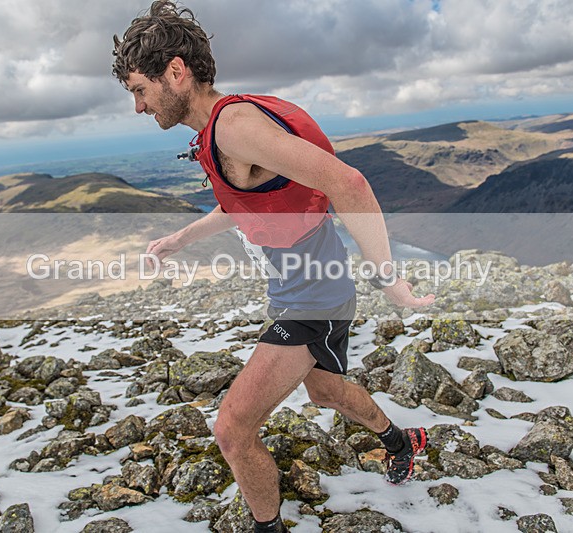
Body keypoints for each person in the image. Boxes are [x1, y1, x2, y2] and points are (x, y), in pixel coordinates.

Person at [113, 2, 436, 531]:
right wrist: (181, 236)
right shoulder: (225, 126)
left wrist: (389, 279)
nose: (138, 106)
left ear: (175, 71)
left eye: (139, 90)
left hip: (314, 296)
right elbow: (244, 202)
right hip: (302, 291)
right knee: (325, 390)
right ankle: (402, 440)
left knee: (233, 429)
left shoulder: (234, 126)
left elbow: (349, 183)